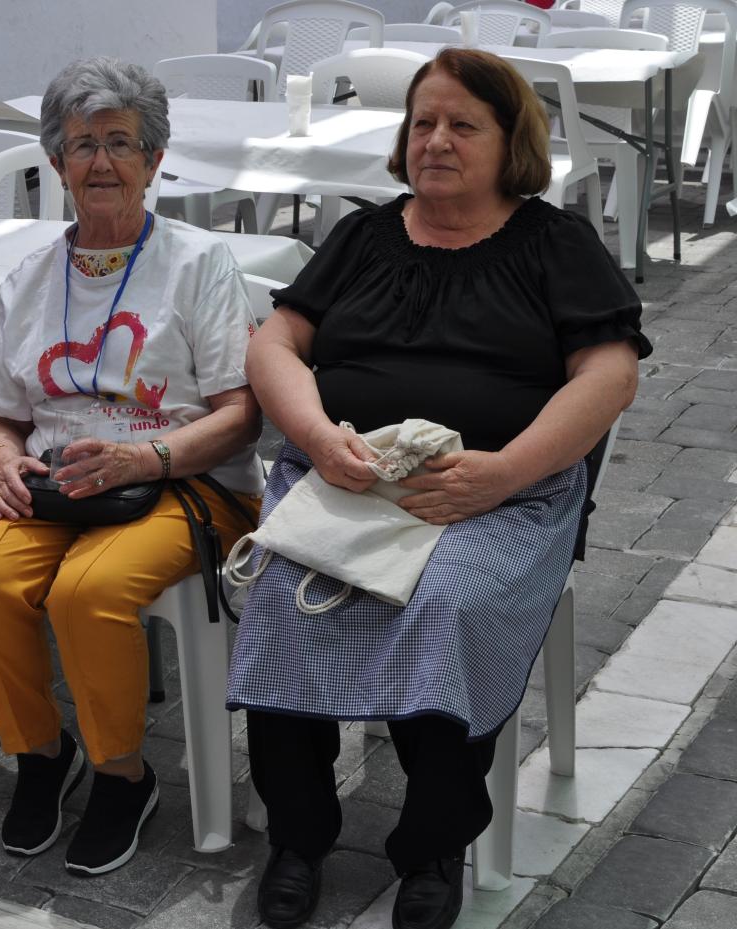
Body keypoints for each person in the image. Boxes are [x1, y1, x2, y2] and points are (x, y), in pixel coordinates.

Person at [231, 49, 648, 929]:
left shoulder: (555, 243)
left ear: (510, 141)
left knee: (446, 603)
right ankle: (298, 835)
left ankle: (432, 844)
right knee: (280, 592)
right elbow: (274, 345)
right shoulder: (363, 236)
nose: (437, 141)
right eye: (423, 123)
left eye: (463, 124)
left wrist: (506, 471)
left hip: (501, 492)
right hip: (349, 476)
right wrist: (320, 440)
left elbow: (610, 375)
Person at [0, 58, 265, 877]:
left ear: (154, 160)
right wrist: (6, 462)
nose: (100, 162)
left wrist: (142, 456)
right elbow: (3, 414)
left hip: (185, 479)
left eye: (120, 142)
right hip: (61, 486)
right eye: (81, 144)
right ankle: (43, 754)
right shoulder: (29, 278)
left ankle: (123, 773)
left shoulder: (198, 263)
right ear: (55, 163)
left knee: (87, 591)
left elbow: (241, 415)